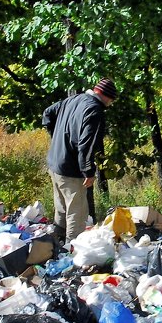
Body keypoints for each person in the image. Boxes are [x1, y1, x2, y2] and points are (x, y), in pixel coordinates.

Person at [42, 77, 117, 242]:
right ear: (106, 96)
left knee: (61, 208)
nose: (111, 103)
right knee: (77, 211)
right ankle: (72, 250)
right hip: (71, 168)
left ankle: (57, 244)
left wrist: (56, 139)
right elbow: (86, 145)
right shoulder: (94, 110)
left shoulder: (73, 99)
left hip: (55, 163)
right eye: (111, 100)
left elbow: (47, 113)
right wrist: (88, 171)